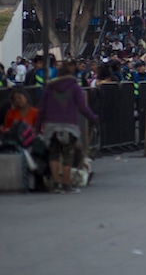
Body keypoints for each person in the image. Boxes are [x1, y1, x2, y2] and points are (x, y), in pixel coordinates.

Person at [36, 61, 99, 194]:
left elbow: (41, 108)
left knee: (53, 155)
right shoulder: (74, 87)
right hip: (69, 125)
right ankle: (66, 184)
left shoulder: (49, 87)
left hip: (51, 125)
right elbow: (83, 107)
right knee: (67, 156)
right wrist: (93, 118)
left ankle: (56, 184)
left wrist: (37, 126)